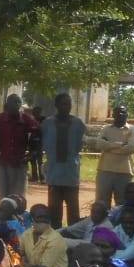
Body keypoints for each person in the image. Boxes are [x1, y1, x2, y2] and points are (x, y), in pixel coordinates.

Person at [40, 94, 86, 228]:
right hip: (54, 173)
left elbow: (79, 145)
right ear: (56, 105)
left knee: (73, 210)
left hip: (71, 172)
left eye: (69, 104)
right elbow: (44, 143)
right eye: (64, 104)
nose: (67, 106)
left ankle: (73, 235)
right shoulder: (47, 123)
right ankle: (55, 236)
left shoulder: (78, 123)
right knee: (54, 210)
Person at [0, 94, 38, 199]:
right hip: (3, 163)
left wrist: (32, 152)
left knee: (18, 198)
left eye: (18, 102)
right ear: (7, 104)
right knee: (3, 197)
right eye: (14, 102)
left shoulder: (26, 119)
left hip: (19, 163)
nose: (16, 104)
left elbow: (37, 132)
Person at [94, 104, 134, 207]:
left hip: (125, 172)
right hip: (105, 170)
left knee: (123, 204)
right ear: (113, 115)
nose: (120, 114)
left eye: (123, 112)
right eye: (118, 112)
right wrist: (121, 145)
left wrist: (108, 146)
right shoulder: (106, 129)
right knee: (102, 203)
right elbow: (99, 144)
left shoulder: (132, 130)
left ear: (127, 115)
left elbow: (132, 148)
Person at [20, 203, 70, 267]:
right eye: (38, 220)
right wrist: (23, 260)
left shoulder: (55, 239)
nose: (42, 223)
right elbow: (22, 253)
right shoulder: (26, 235)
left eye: (44, 220)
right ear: (32, 221)